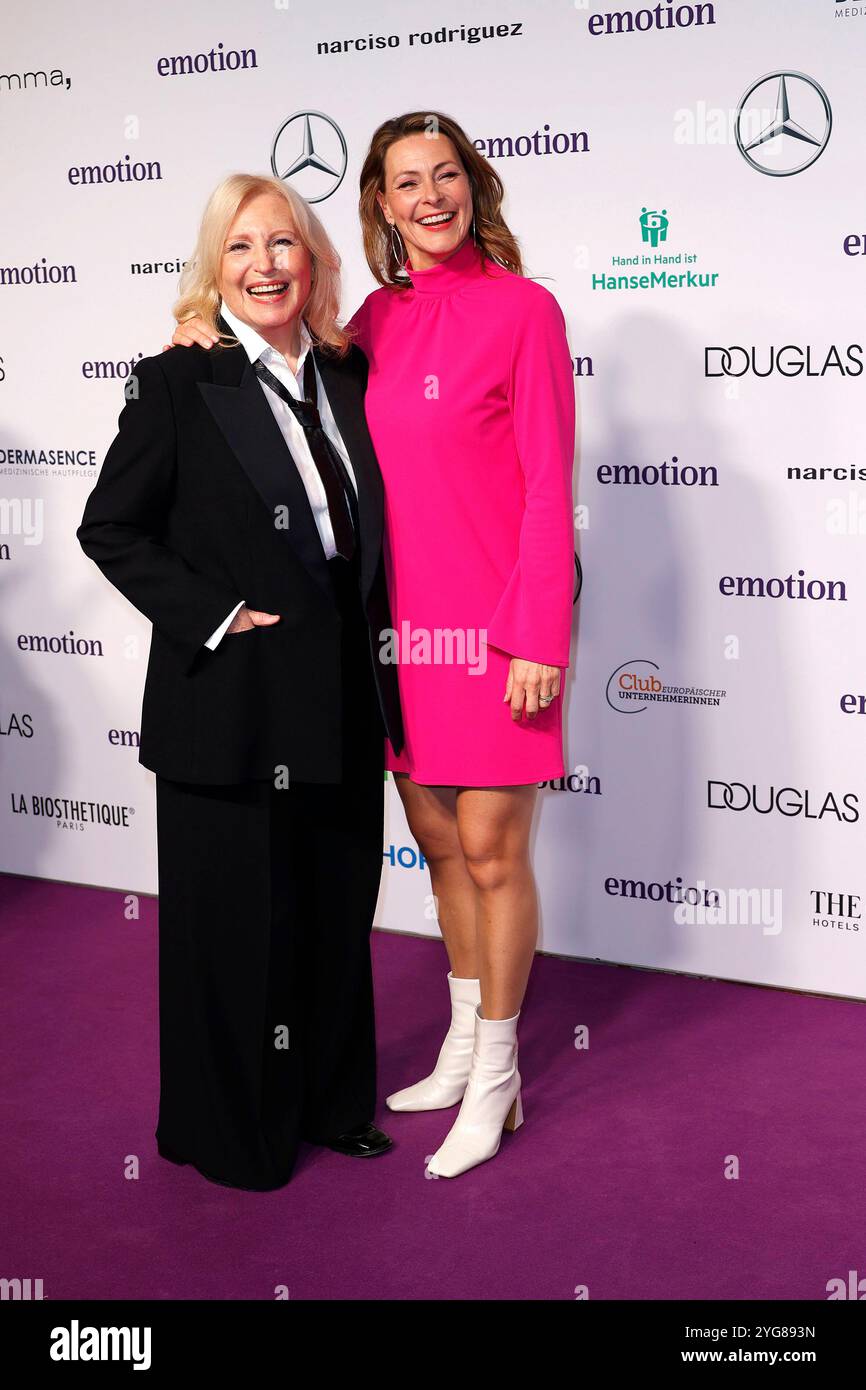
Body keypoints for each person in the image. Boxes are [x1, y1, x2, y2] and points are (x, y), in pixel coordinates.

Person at [172, 112, 576, 1179]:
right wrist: (196, 336)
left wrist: (539, 631)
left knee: (494, 855)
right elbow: (277, 381)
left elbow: (547, 485)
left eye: (445, 175)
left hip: (496, 638)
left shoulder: (525, 310)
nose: (428, 196)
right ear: (380, 205)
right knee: (441, 850)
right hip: (394, 643)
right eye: (406, 182)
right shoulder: (373, 326)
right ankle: (456, 1046)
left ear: (472, 187)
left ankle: (498, 1077)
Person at [78, 173, 403, 1191]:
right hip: (231, 707)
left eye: (284, 246)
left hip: (343, 697)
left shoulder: (348, 375)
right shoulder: (178, 381)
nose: (266, 266)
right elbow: (109, 527)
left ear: (312, 262)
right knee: (236, 931)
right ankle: (234, 1132)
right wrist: (214, 615)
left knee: (332, 911)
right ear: (213, 268)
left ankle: (332, 1101)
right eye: (242, 249)